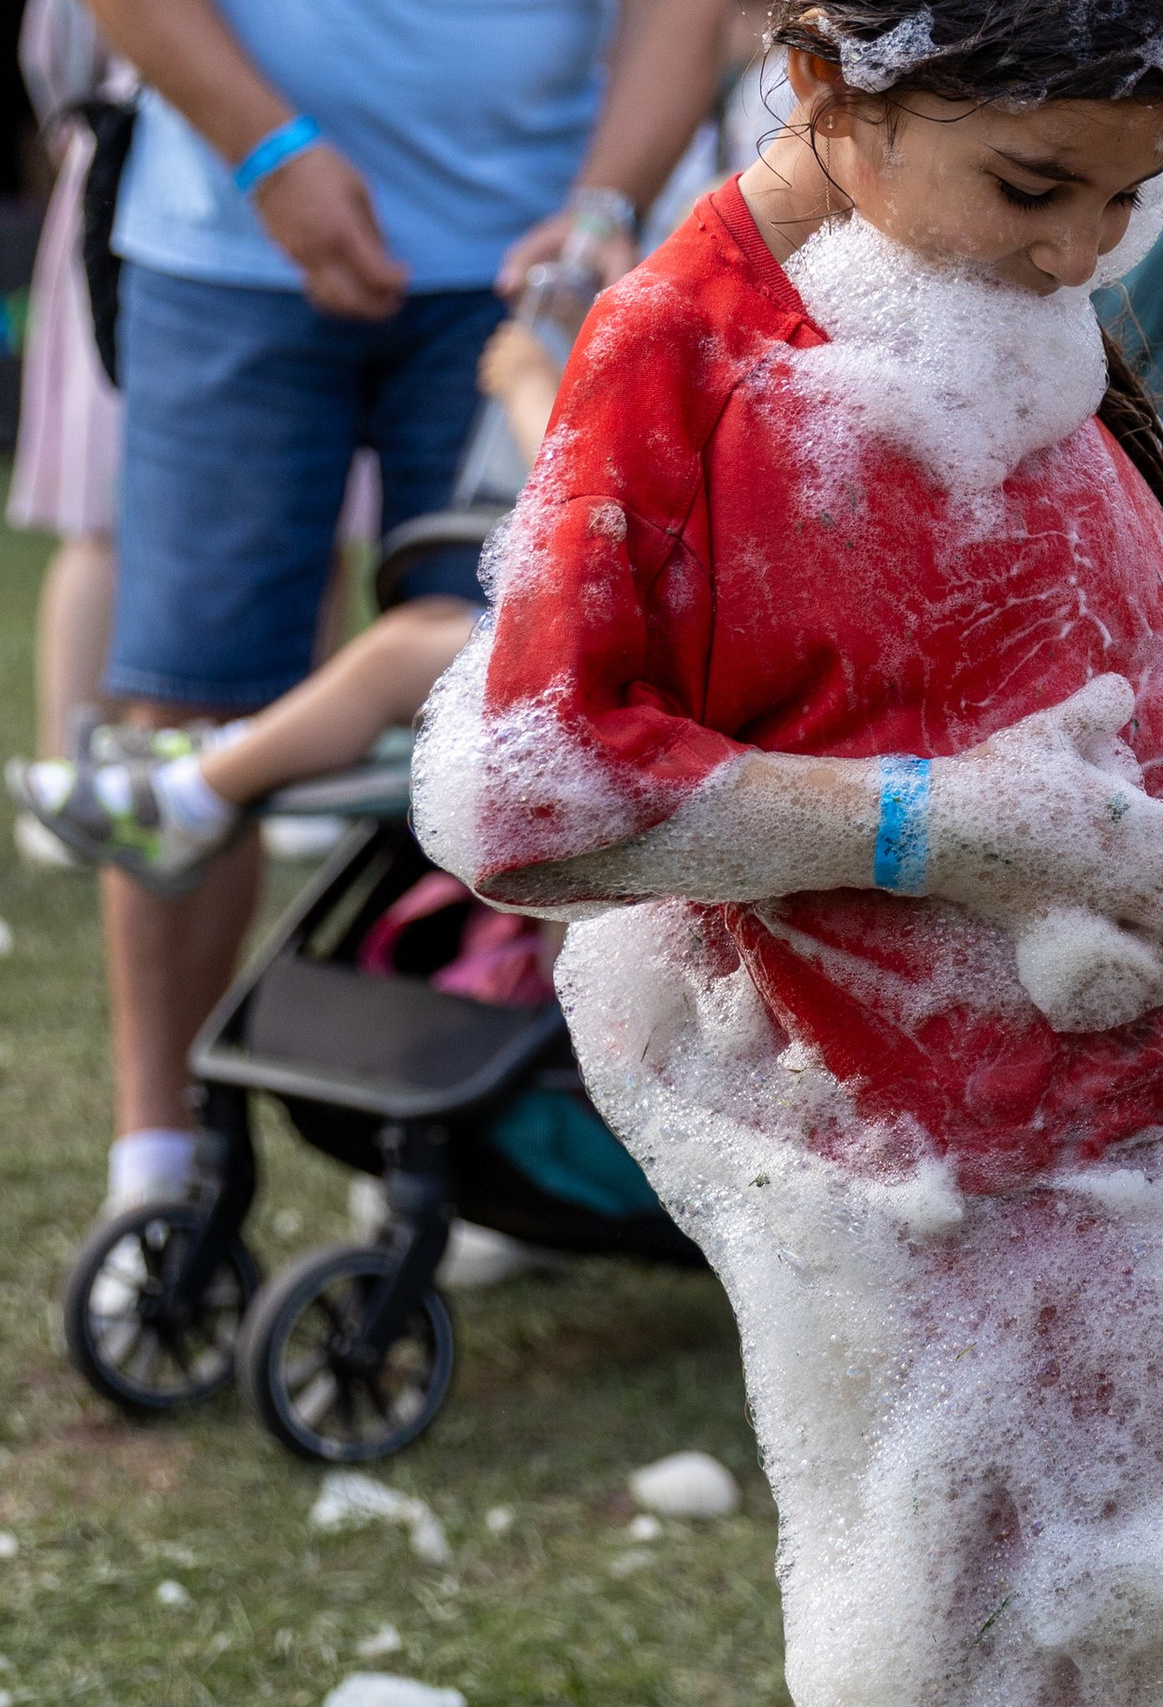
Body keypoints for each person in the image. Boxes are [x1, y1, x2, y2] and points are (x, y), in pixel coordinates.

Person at [412, 0, 1163, 1695]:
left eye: (1126, 201)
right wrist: (935, 824)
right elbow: (539, 800)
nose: (1077, 252)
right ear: (831, 89)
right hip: (974, 1184)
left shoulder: (987, 290)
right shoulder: (677, 348)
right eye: (1036, 186)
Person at [67, 0, 723, 1217]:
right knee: (185, 698)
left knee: (524, 703)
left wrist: (602, 206)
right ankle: (156, 1167)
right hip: (223, 243)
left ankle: (464, 1135)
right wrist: (269, 151)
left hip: (523, 273)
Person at [11, 323, 561, 890]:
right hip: (617, 638)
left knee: (396, 659)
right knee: (425, 623)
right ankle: (219, 753)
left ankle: (187, 799)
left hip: (621, 661)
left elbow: (582, 478)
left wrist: (527, 384)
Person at [10, 0, 130, 869]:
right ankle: (69, 772)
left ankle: (292, 773)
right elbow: (61, 53)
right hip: (132, 182)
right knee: (106, 502)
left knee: (314, 522)